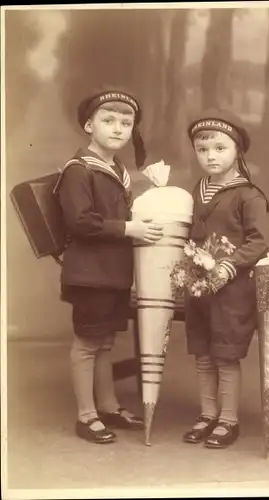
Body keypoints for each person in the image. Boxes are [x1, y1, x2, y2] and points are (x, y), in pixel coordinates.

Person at [54, 87, 164, 444]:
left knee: (103, 343)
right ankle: (86, 416)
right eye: (108, 120)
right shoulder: (79, 169)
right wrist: (129, 228)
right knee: (88, 343)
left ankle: (108, 406)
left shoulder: (116, 168)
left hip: (112, 273)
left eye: (126, 123)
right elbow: (80, 222)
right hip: (90, 274)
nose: (118, 128)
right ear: (89, 125)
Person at [183, 109, 269, 449]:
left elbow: (258, 242)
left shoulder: (248, 195)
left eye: (220, 148)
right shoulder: (198, 189)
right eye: (203, 150)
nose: (211, 156)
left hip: (232, 289)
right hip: (200, 287)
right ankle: (207, 414)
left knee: (225, 354)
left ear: (237, 151)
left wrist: (228, 266)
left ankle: (228, 419)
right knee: (203, 353)